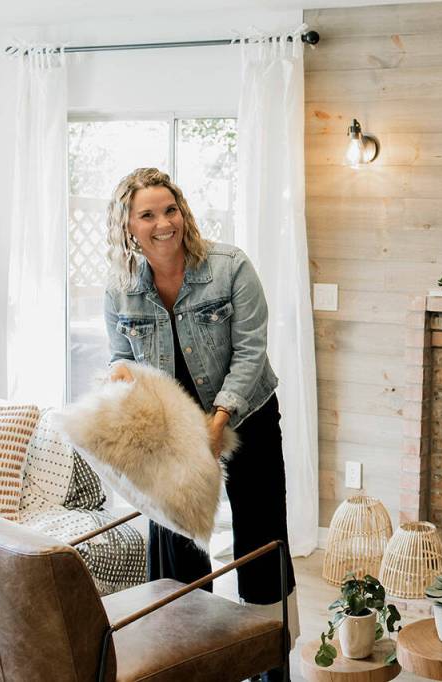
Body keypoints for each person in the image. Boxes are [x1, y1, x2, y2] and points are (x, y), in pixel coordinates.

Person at [103, 167, 297, 682]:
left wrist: (220, 420)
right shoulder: (119, 289)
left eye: (170, 209)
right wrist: (120, 379)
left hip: (248, 416)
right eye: (147, 214)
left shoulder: (230, 267)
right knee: (177, 543)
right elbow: (121, 356)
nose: (163, 222)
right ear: (128, 225)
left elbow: (252, 351)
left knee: (260, 538)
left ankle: (270, 662)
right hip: (175, 431)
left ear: (182, 211)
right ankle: (190, 659)